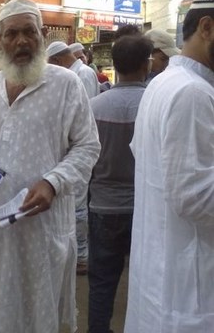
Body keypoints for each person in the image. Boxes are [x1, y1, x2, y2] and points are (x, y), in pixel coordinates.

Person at [0, 0, 100, 332]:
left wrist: (53, 182)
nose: (21, 41)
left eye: (29, 32)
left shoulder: (66, 84)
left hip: (43, 226)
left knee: (40, 313)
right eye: (12, 34)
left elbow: (88, 146)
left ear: (43, 35)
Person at [124, 0, 214, 333]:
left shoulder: (164, 83)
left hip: (165, 278)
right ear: (207, 28)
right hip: (188, 290)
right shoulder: (193, 94)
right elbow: (196, 197)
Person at [88, 34, 153, 333]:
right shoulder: (154, 105)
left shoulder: (94, 106)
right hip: (143, 209)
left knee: (101, 281)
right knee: (145, 282)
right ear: (146, 65)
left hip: (103, 206)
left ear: (114, 65)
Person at [46, 40, 99, 275]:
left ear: (57, 61)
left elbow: (82, 118)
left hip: (77, 148)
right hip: (68, 148)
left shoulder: (81, 75)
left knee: (77, 205)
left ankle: (82, 257)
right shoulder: (76, 73)